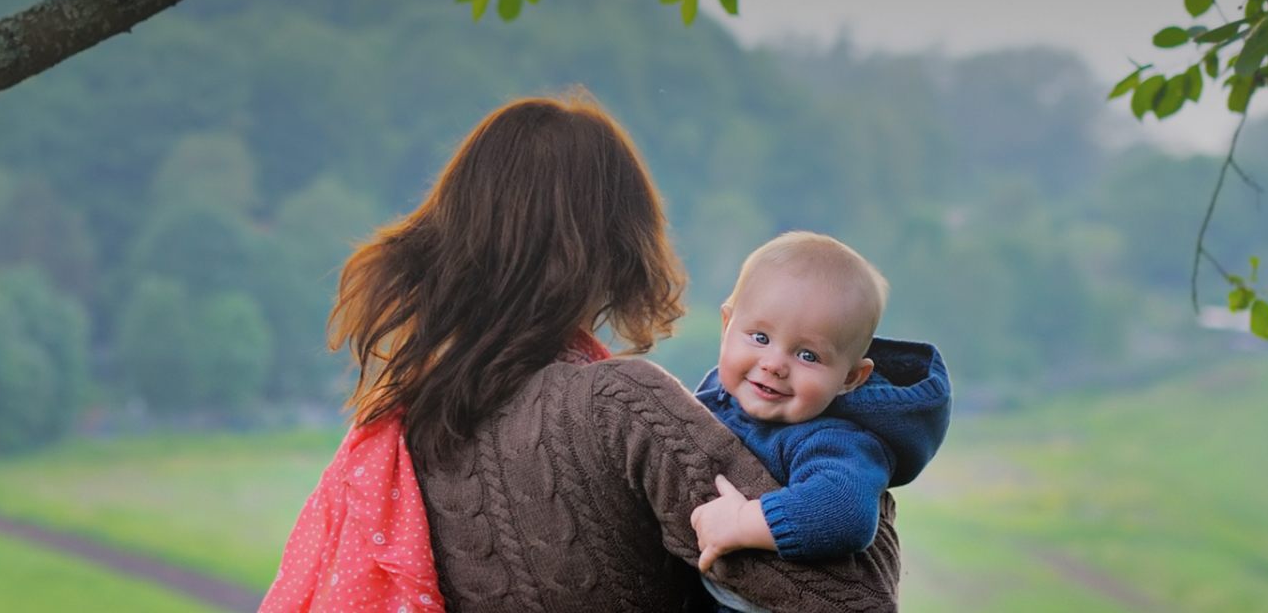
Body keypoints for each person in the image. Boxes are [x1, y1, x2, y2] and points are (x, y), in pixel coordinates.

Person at [263, 93, 901, 613]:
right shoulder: (617, 404)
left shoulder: (412, 427)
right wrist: (865, 471)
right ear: (614, 247)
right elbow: (853, 600)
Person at [688, 232, 951, 613]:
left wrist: (743, 521)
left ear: (850, 378)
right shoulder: (720, 389)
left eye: (807, 355)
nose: (774, 364)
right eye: (760, 336)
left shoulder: (834, 438)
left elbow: (844, 510)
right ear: (727, 325)